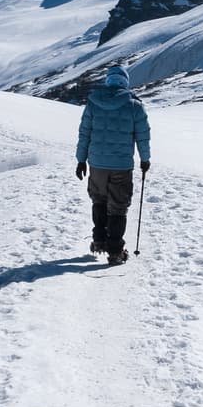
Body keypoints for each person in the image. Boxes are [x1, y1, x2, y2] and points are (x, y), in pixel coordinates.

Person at [75, 65, 151, 265]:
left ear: (108, 81)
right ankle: (115, 252)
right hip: (121, 165)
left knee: (99, 201)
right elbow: (143, 137)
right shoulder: (135, 105)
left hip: (97, 164)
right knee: (118, 207)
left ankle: (99, 241)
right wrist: (145, 159)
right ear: (125, 82)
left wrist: (81, 160)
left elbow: (85, 134)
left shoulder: (93, 103)